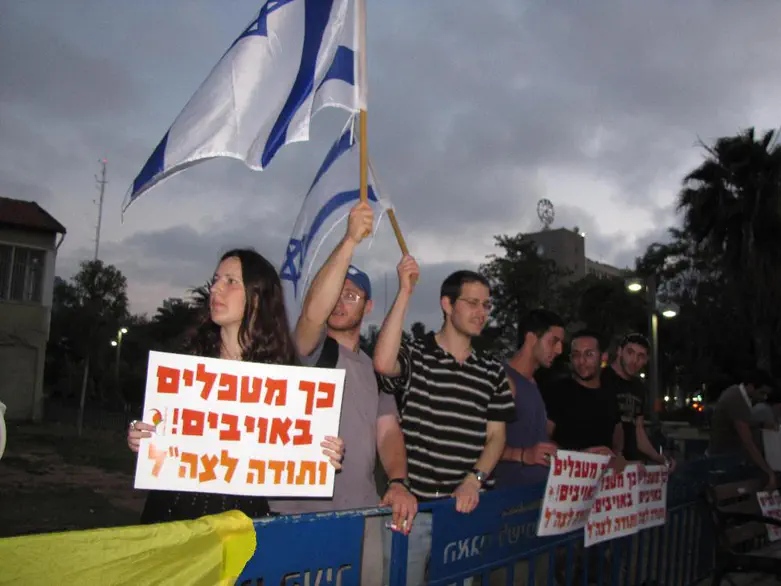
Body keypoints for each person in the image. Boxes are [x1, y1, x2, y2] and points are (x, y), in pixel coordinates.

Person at [127, 249, 345, 523]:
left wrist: (323, 452)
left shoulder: (284, 379)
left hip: (242, 521)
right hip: (172, 516)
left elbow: (290, 449)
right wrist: (140, 433)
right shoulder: (186, 362)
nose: (215, 288)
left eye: (230, 281)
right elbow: (160, 425)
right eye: (216, 280)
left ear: (257, 298)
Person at [272, 203, 416, 586]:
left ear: (368, 307)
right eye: (337, 292)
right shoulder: (307, 350)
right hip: (300, 517)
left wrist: (398, 481)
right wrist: (350, 239)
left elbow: (388, 433)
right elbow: (311, 316)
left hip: (361, 516)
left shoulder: (374, 368)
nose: (339, 301)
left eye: (351, 296)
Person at [374, 261, 516, 584]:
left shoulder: (492, 370)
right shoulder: (416, 354)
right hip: (412, 510)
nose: (482, 312)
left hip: (465, 512)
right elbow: (382, 363)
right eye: (473, 303)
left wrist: (474, 480)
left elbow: (497, 436)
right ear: (447, 305)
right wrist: (405, 291)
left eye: (486, 305)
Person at [494, 309, 564, 488]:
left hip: (536, 494)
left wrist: (581, 457)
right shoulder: (505, 380)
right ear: (531, 338)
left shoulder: (533, 383)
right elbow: (479, 444)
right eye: (553, 341)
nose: (559, 350)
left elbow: (535, 444)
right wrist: (523, 455)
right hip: (510, 496)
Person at [544, 329, 623, 459]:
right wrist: (581, 457)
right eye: (576, 355)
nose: (581, 361)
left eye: (589, 354)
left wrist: (615, 457)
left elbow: (618, 442)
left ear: (603, 357)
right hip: (565, 470)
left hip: (603, 471)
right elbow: (542, 440)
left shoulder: (610, 395)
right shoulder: (557, 391)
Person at [601, 333, 675, 470]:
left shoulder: (639, 387)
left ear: (646, 360)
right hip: (603, 463)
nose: (634, 360)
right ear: (619, 351)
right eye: (630, 352)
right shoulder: (601, 379)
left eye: (640, 356)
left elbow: (638, 430)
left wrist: (660, 458)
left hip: (632, 465)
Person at [708, 370, 778, 490]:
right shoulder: (736, 399)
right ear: (750, 387)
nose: (764, 398)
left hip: (727, 458)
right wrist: (768, 471)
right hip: (725, 461)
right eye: (762, 393)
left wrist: (761, 424)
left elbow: (743, 422)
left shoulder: (738, 395)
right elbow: (747, 441)